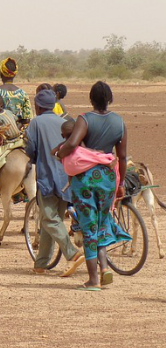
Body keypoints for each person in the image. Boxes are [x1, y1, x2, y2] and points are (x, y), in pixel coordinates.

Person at [55, 81, 130, 290]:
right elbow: (122, 157)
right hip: (107, 178)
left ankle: (93, 280)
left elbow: (71, 143)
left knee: (89, 227)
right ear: (110, 99)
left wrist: (59, 154)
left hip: (85, 179)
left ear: (91, 99)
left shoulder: (85, 119)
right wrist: (121, 183)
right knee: (102, 223)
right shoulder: (120, 122)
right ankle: (104, 268)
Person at [25, 89, 85, 277]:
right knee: (51, 221)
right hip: (66, 177)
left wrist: (35, 159)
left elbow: (30, 148)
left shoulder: (35, 123)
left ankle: (72, 254)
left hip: (47, 177)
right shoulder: (63, 122)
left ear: (38, 106)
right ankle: (41, 264)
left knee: (49, 220)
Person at [0, 58, 33, 128]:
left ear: (1, 73)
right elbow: (27, 119)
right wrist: (15, 128)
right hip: (18, 133)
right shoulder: (22, 93)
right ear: (14, 74)